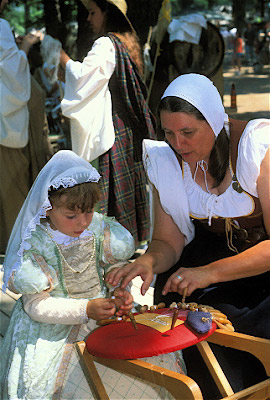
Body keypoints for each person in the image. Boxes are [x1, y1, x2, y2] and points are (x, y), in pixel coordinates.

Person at [106, 73, 270, 398]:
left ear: (212, 121)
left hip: (258, 272)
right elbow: (168, 241)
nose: (178, 144)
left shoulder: (254, 148)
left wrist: (208, 273)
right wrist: (148, 262)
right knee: (184, 321)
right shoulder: (166, 162)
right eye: (169, 133)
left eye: (188, 132)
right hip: (203, 270)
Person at [0, 150, 186, 399]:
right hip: (53, 328)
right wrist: (84, 310)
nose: (82, 222)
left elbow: (108, 267)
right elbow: (35, 307)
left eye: (88, 212)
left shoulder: (99, 228)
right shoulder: (35, 243)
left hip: (102, 315)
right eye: (71, 215)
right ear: (47, 208)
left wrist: (118, 289)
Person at [60, 0, 156, 248]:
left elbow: (83, 80)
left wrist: (62, 58)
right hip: (125, 128)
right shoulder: (127, 42)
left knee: (108, 186)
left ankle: (112, 245)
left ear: (107, 13)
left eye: (93, 12)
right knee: (123, 185)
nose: (89, 19)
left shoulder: (105, 44)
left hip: (111, 128)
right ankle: (128, 241)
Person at [0, 0, 52, 253]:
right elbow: (13, 71)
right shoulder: (0, 26)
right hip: (6, 122)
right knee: (13, 186)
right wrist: (27, 46)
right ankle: (16, 248)